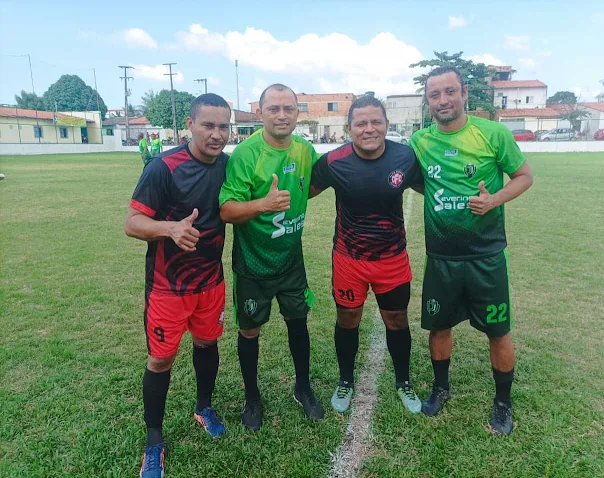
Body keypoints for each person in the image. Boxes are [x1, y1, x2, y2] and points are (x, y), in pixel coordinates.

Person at [409, 66, 533, 435]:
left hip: (486, 256)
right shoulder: (420, 141)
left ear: (464, 93)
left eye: (450, 91)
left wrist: (493, 199)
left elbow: (524, 176)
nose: (443, 100)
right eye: (435, 94)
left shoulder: (493, 133)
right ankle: (440, 388)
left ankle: (503, 403)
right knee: (439, 326)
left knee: (498, 331)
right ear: (428, 101)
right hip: (442, 257)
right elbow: (419, 182)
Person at [124, 93, 232, 477]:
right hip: (167, 287)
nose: (216, 134)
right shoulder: (163, 167)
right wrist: (169, 228)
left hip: (211, 282)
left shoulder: (229, 166)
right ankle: (154, 441)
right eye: (208, 125)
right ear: (189, 125)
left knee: (207, 344)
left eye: (223, 126)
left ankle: (203, 407)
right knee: (160, 359)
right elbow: (132, 223)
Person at [310, 96, 424, 414]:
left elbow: (431, 187)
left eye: (376, 122)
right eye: (361, 123)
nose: (369, 129)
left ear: (387, 125)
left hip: (392, 260)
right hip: (349, 260)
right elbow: (303, 191)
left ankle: (403, 381)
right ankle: (345, 380)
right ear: (349, 128)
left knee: (397, 319)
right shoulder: (333, 161)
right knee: (348, 319)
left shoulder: (405, 157)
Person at [219, 83, 323, 432]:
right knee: (250, 331)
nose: (282, 115)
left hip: (291, 260)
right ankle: (252, 397)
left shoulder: (305, 150)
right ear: (260, 112)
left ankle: (303, 387)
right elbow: (227, 209)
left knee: (298, 321)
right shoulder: (246, 154)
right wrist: (264, 204)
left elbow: (314, 184)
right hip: (253, 263)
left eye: (288, 108)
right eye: (274, 109)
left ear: (297, 113)